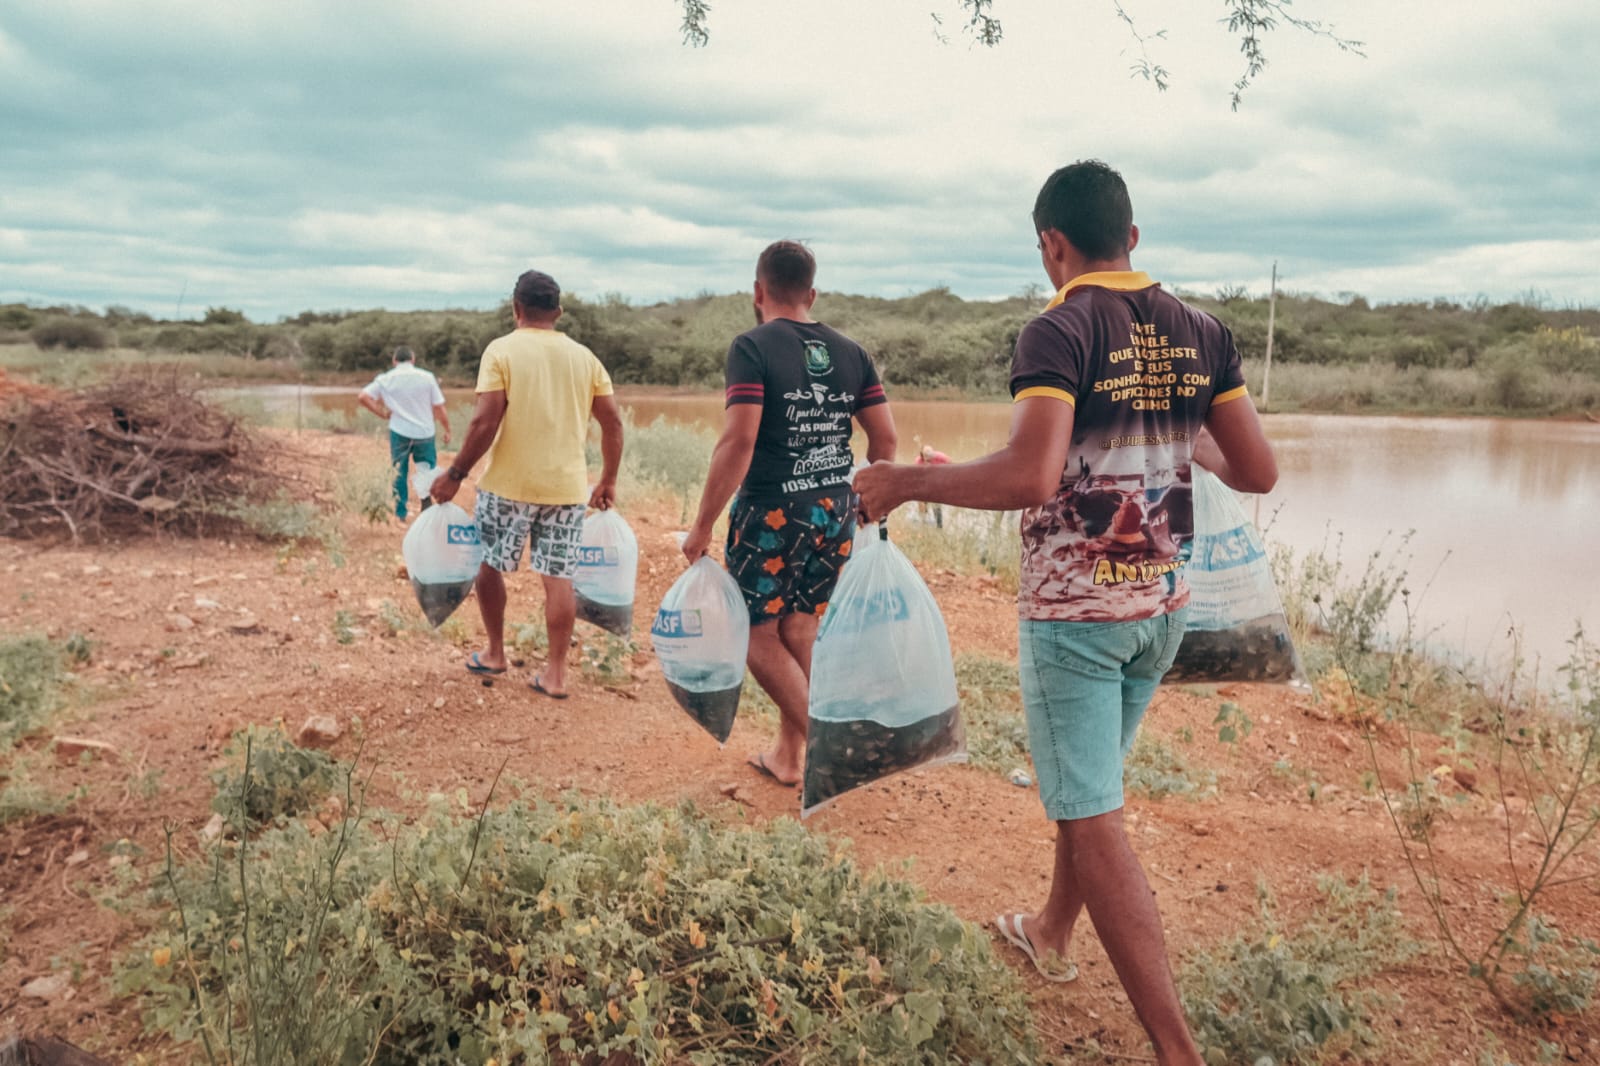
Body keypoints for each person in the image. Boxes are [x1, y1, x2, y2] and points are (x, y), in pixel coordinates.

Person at [854, 160, 1277, 1066]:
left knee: (1091, 816)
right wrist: (1170, 430)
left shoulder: (1057, 328)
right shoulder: (1203, 331)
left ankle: (1177, 1050)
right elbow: (1256, 470)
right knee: (1093, 791)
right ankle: (1051, 930)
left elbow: (1030, 476)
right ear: (1132, 236)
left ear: (1052, 245)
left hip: (1078, 619)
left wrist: (903, 482)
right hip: (1161, 606)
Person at [682, 240, 898, 786]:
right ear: (812, 294)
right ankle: (788, 756)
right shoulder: (852, 352)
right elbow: (885, 439)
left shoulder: (751, 347)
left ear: (758, 292)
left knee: (756, 635)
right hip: (835, 510)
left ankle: (836, 750)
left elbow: (739, 441)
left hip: (772, 512)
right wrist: (868, 497)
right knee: (799, 626)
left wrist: (702, 524)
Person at [430, 270, 624, 699]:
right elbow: (612, 422)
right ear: (558, 312)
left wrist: (456, 474)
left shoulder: (501, 350)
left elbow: (484, 421)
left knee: (488, 565)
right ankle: (555, 675)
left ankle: (495, 652)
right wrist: (608, 478)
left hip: (506, 486)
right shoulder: (585, 358)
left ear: (516, 308)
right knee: (559, 578)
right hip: (567, 490)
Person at [358, 345, 451, 521]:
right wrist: (447, 429)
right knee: (426, 468)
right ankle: (425, 504)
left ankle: (401, 512)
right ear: (412, 360)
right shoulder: (427, 377)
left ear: (394, 361)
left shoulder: (385, 379)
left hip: (399, 431)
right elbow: (439, 407)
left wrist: (382, 413)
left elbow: (363, 396)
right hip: (424, 432)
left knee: (399, 470)